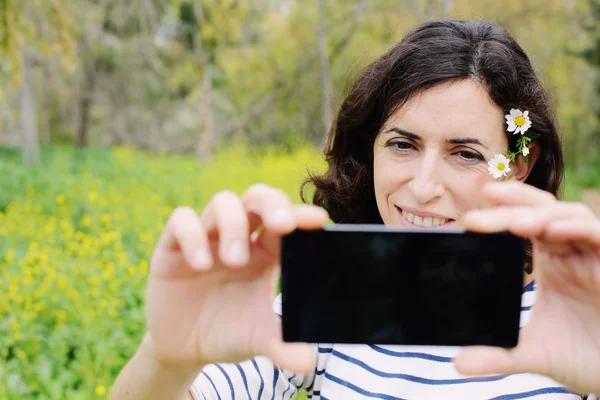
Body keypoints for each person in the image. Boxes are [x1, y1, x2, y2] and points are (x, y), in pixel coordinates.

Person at [110, 20, 600, 399]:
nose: (423, 186)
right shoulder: (329, 302)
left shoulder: (575, 317)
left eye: (466, 153)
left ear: (519, 165)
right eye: (403, 145)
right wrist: (168, 357)